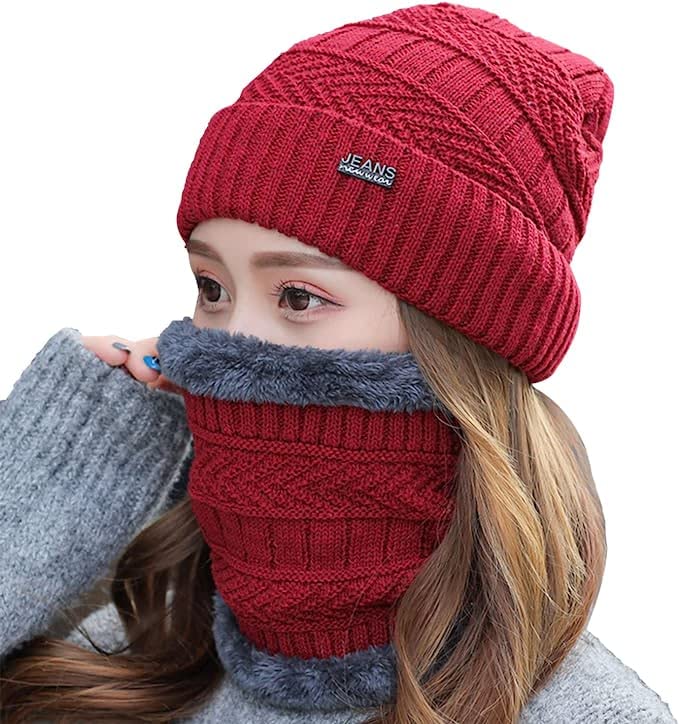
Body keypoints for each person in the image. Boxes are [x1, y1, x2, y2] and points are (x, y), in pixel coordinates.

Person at [0, 2, 676, 722]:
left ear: (454, 346)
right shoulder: (116, 655)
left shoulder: (592, 714)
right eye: (211, 289)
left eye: (298, 295)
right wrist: (63, 463)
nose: (227, 346)